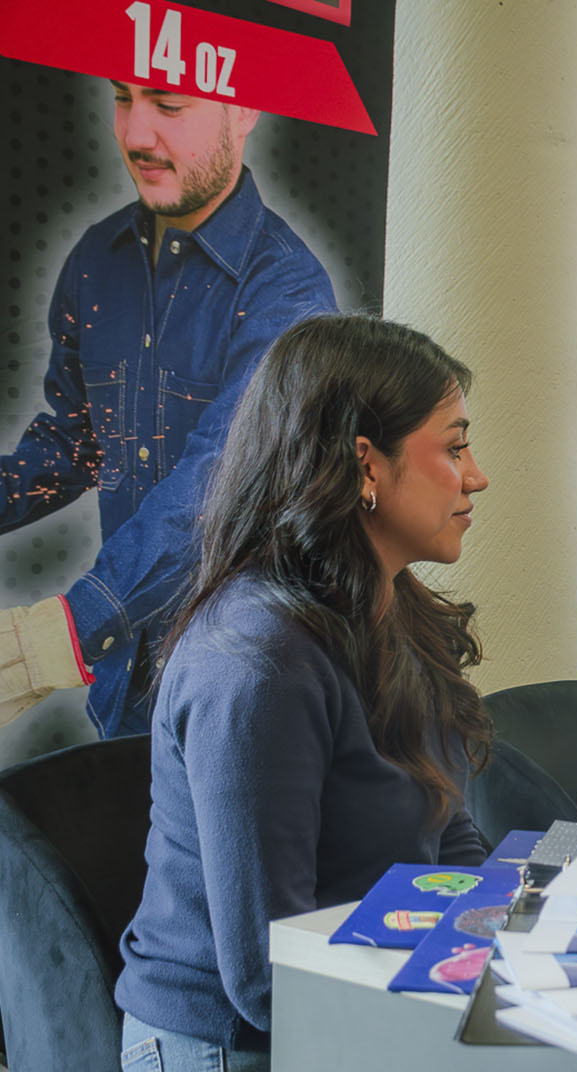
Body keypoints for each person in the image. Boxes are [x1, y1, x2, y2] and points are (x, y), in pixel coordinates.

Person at [115, 315, 491, 1072]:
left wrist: (508, 954)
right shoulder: (256, 663)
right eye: (455, 448)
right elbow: (270, 979)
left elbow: (456, 840)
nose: (478, 477)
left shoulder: (398, 614)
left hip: (366, 1020)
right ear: (367, 464)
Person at [0, 81, 335, 736]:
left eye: (169, 106)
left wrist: (49, 644)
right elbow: (73, 447)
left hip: (242, 700)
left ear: (243, 110)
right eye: (123, 99)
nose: (135, 135)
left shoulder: (291, 289)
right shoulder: (95, 261)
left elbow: (222, 485)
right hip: (125, 694)